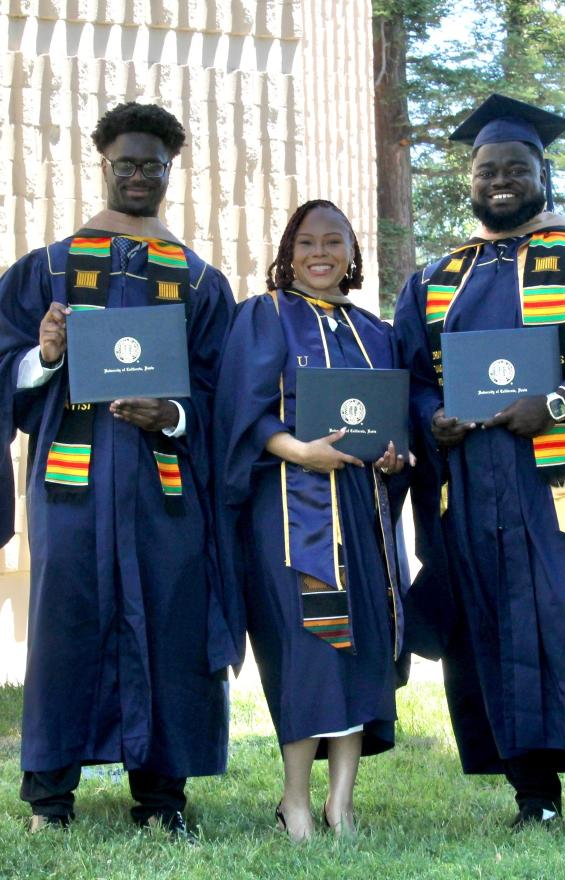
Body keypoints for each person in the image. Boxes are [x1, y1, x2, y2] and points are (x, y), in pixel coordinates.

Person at [394, 94, 565, 838]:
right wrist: (431, 416)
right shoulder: (437, 276)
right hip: (473, 486)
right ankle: (530, 794)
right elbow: (410, 374)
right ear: (469, 181)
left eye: (516, 167)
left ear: (544, 173)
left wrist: (559, 404)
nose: (500, 180)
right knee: (491, 628)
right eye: (486, 169)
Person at [0, 102, 241, 836]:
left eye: (153, 164)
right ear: (101, 165)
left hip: (164, 490)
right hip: (70, 488)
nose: (139, 175)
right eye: (126, 163)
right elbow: (3, 366)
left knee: (168, 627)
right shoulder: (47, 268)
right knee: (65, 628)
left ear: (172, 170)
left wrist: (171, 416)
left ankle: (162, 799)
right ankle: (49, 799)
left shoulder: (198, 281)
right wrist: (42, 356)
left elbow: (222, 394)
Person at [214, 200, 407, 841]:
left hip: (362, 509)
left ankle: (341, 805)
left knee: (359, 650)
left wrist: (390, 454)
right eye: (307, 242)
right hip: (290, 510)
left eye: (334, 241)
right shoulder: (263, 317)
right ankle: (295, 800)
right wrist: (299, 449)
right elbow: (239, 413)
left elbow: (395, 430)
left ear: (352, 252)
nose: (319, 253)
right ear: (288, 250)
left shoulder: (375, 331)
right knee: (307, 648)